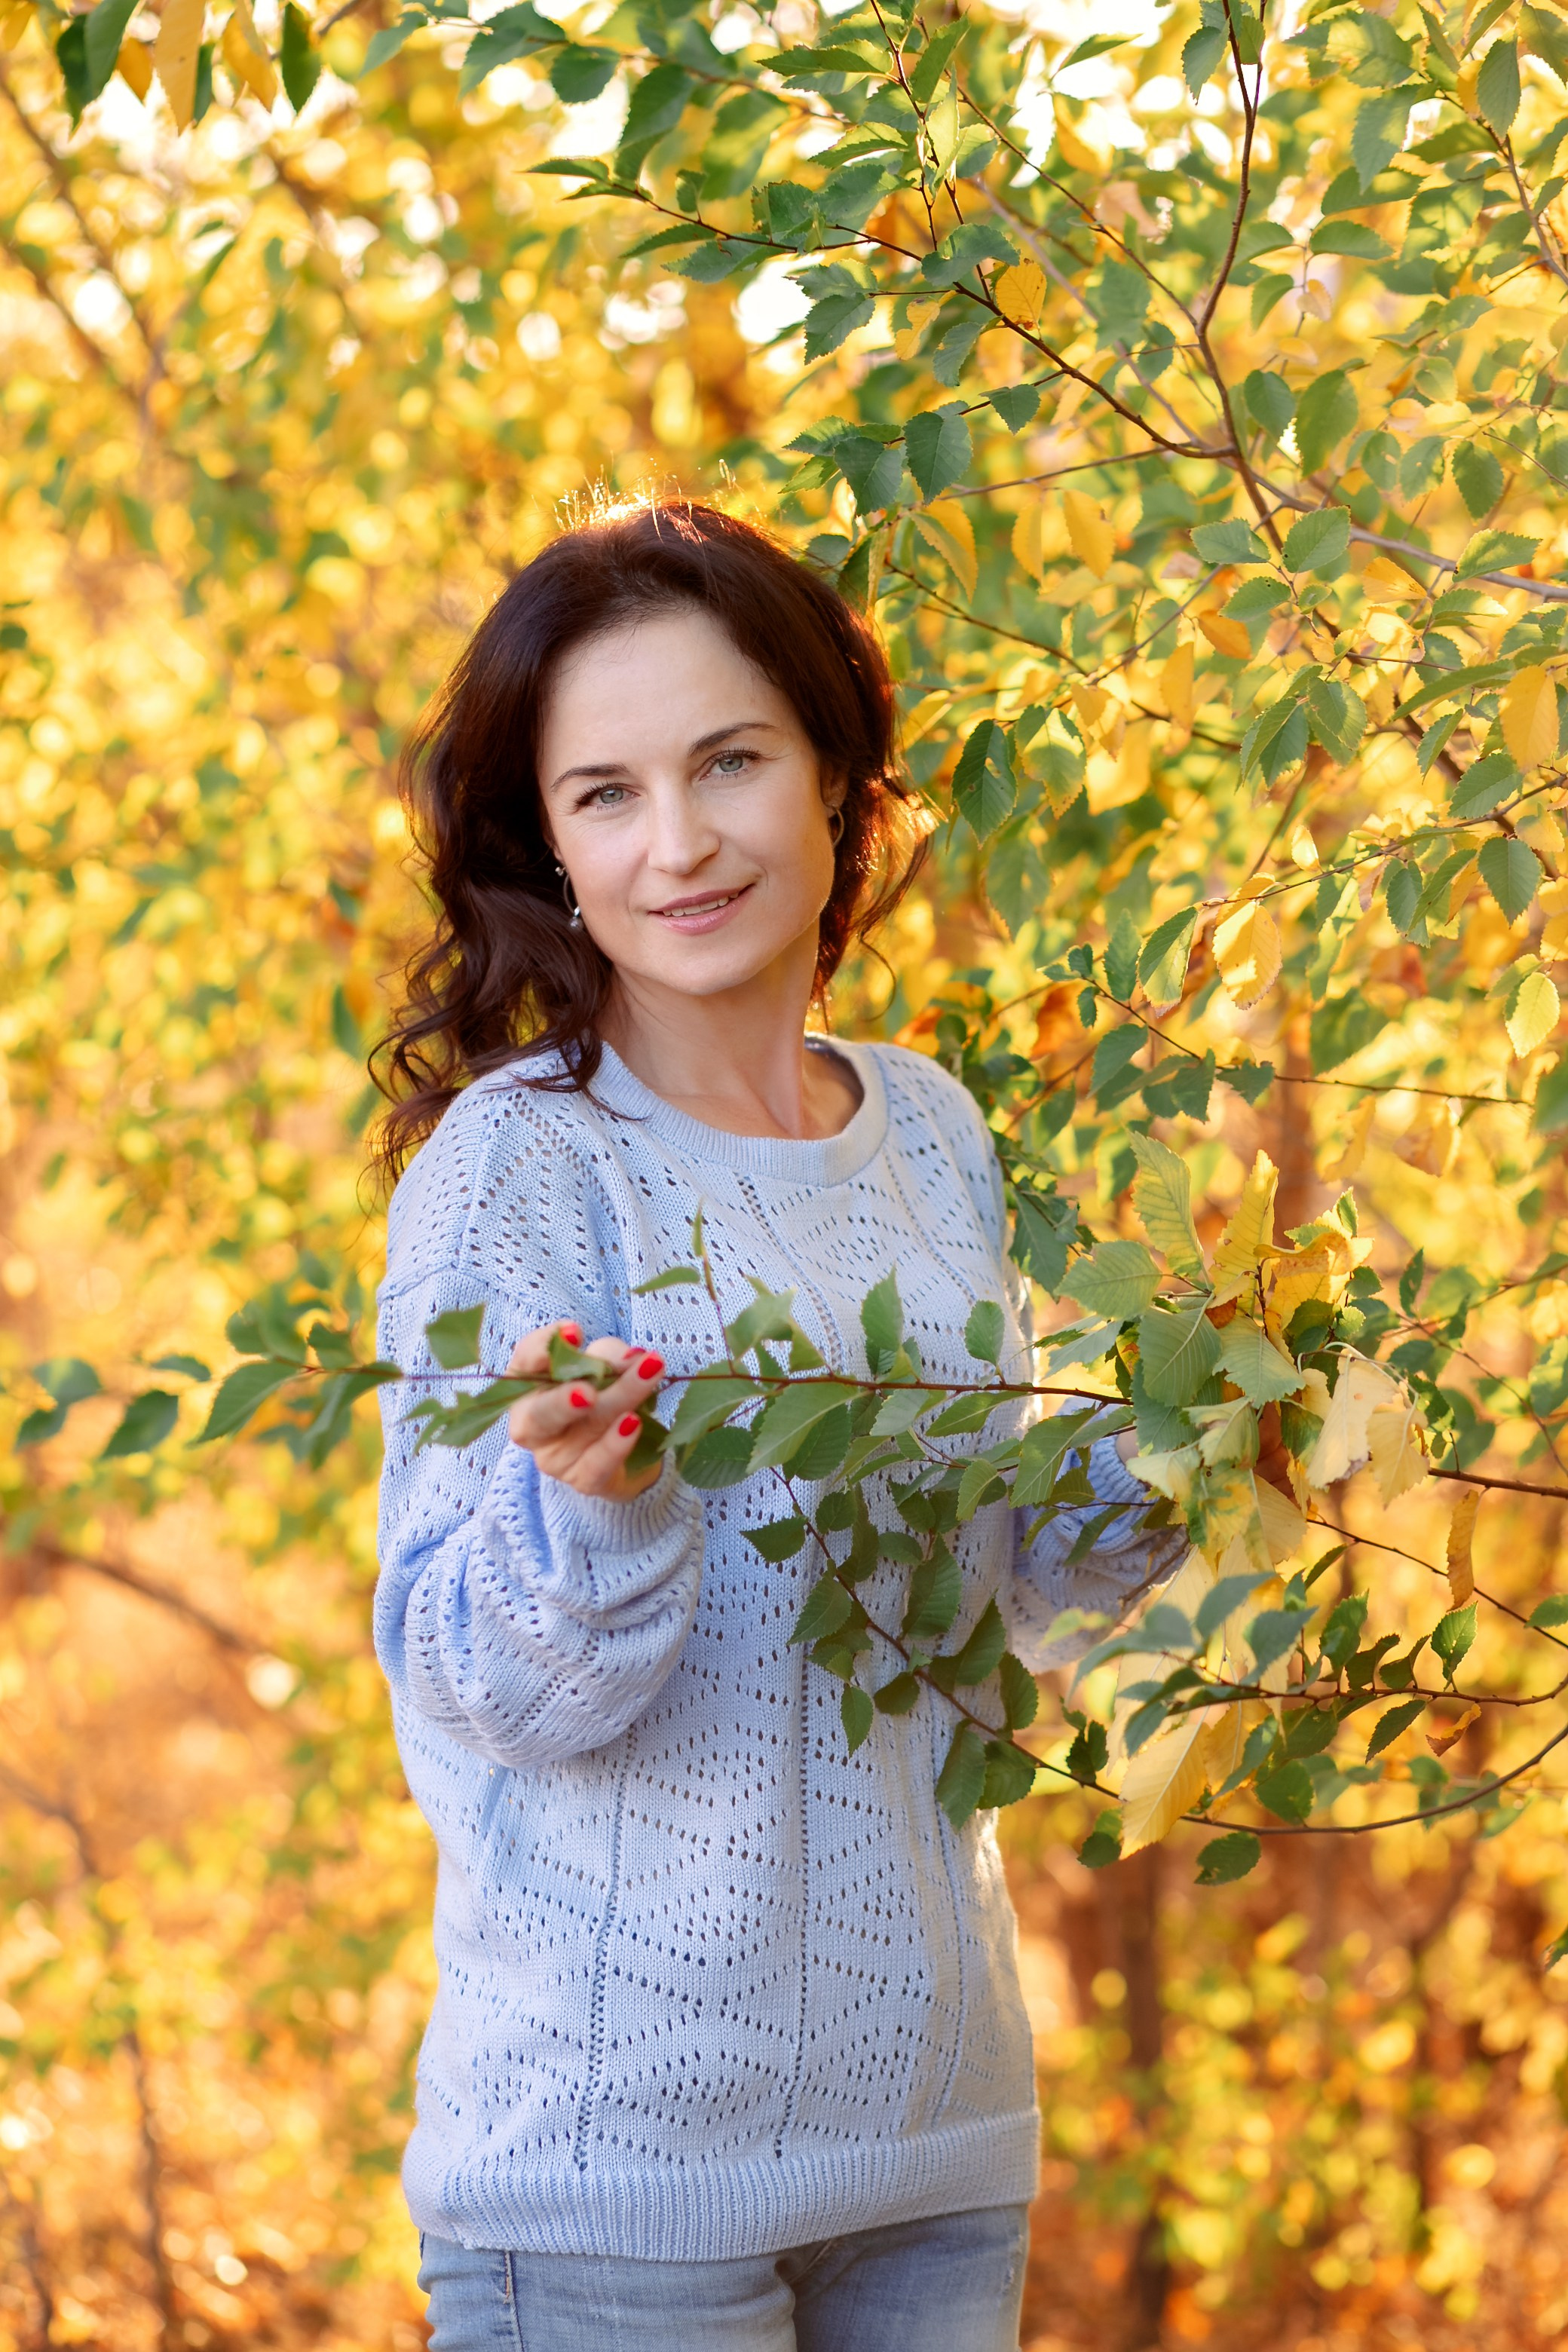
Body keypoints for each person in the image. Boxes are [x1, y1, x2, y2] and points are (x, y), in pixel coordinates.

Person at [372, 499, 1183, 2352]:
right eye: (605, 794)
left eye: (728, 761)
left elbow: (994, 1619)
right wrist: (597, 1516)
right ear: (546, 846)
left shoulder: (930, 1131)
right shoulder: (521, 1165)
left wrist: (1177, 1451)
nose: (679, 844)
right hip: (608, 2191)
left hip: (932, 2148)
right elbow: (469, 1678)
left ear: (832, 775)